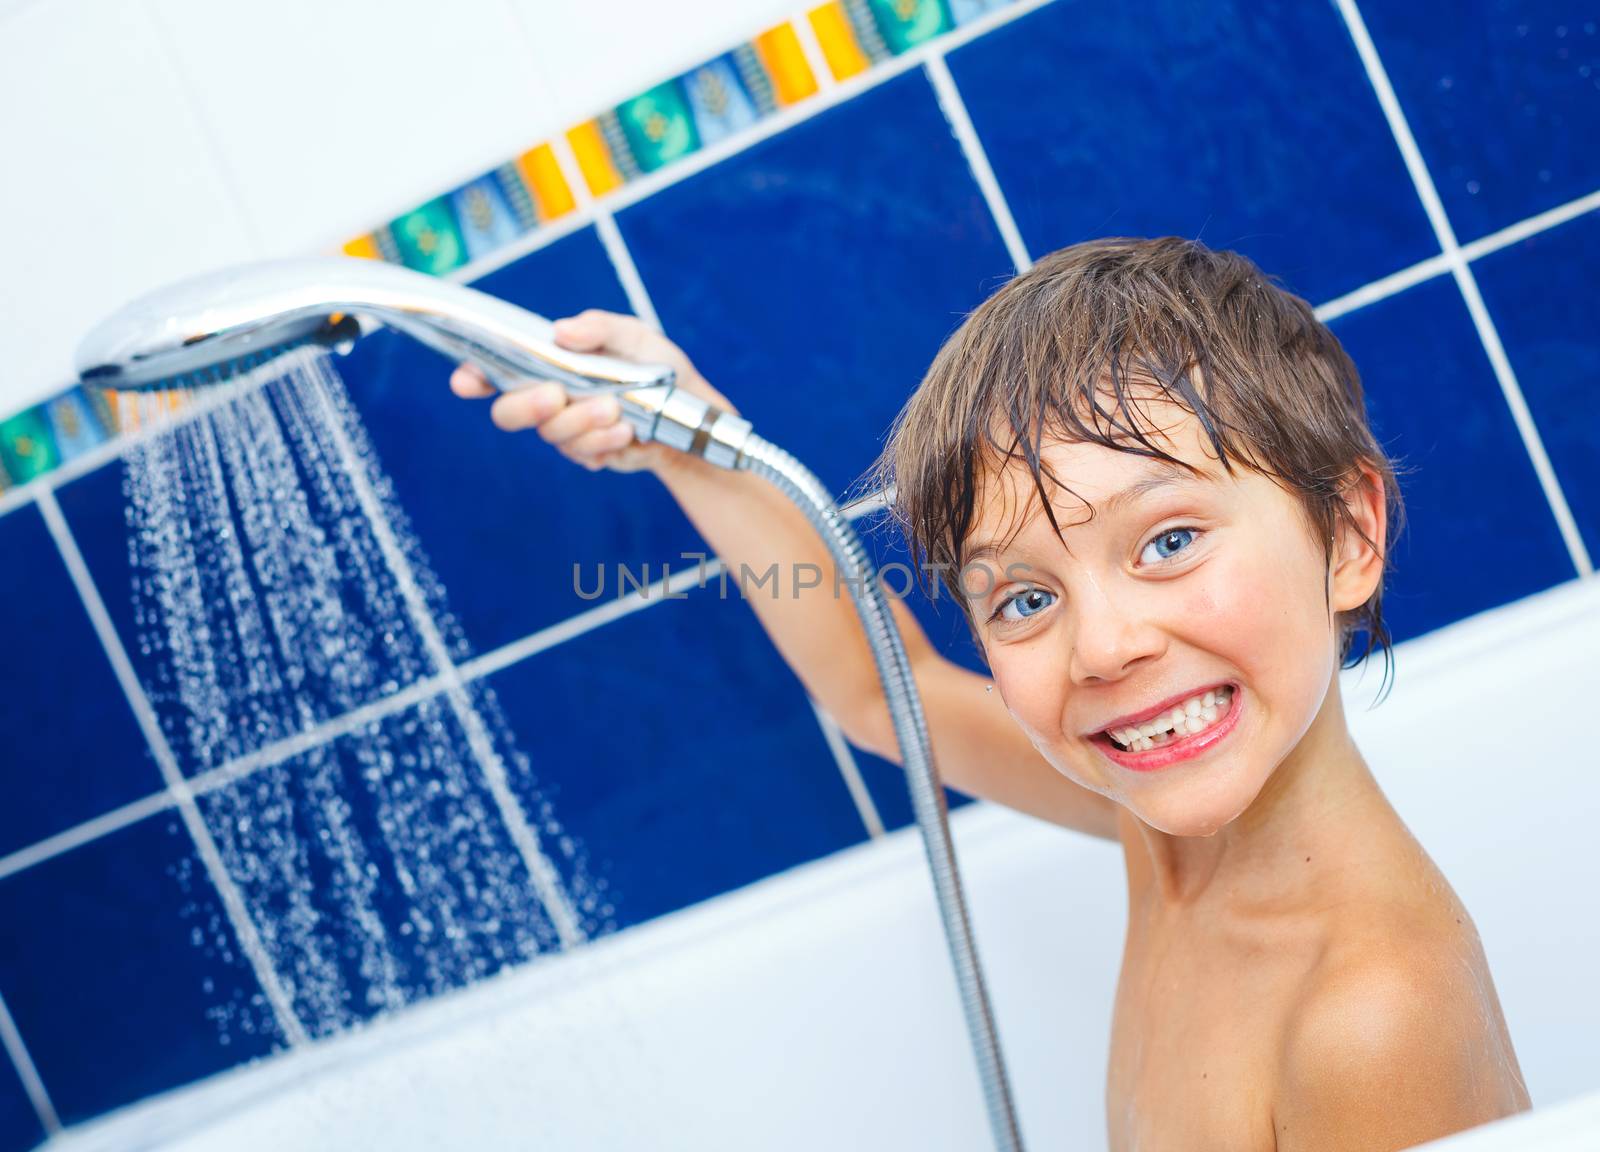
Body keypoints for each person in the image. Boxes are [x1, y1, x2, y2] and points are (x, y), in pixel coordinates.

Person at [450, 237, 1530, 1150]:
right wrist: (688, 438)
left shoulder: (1368, 1018)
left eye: (1166, 540)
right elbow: (888, 695)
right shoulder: (1167, 836)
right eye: (1021, 601)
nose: (1102, 648)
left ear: (1345, 536)